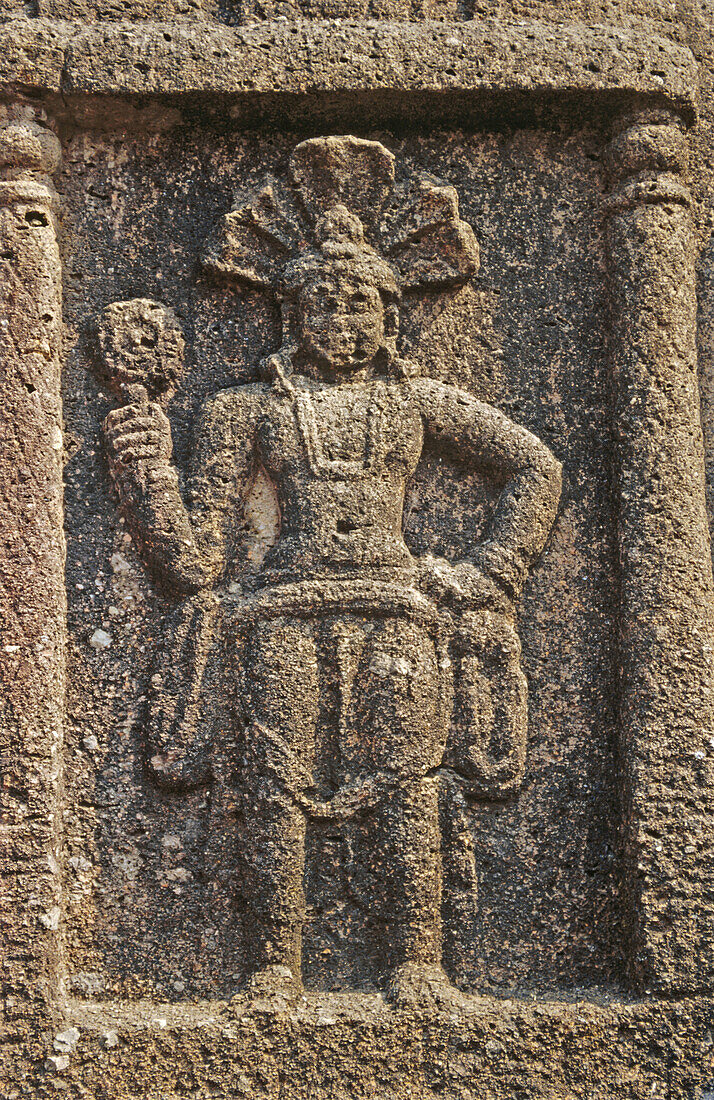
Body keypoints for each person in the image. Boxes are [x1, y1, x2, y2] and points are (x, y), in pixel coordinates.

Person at [104, 197, 561, 1008]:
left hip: (396, 607)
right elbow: (198, 560)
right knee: (272, 782)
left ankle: (416, 962)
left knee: (410, 778)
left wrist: (490, 570)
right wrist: (145, 476)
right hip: (281, 611)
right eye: (323, 300)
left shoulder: (419, 400)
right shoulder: (243, 409)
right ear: (292, 309)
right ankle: (273, 968)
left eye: (360, 303)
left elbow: (535, 467)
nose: (341, 318)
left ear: (388, 314)